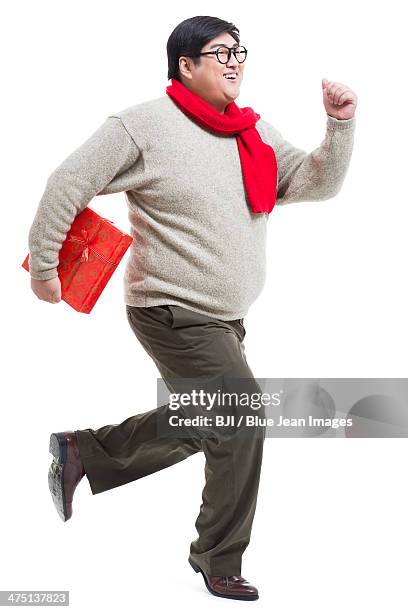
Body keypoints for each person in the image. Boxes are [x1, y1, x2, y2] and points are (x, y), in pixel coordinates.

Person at [28, 15, 357, 601]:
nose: (235, 62)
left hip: (225, 317)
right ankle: (216, 557)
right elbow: (67, 182)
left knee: (208, 418)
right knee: (241, 416)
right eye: (220, 52)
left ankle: (82, 451)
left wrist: (339, 127)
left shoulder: (249, 133)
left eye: (240, 52)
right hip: (170, 306)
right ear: (186, 64)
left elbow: (313, 181)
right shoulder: (142, 126)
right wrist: (46, 267)